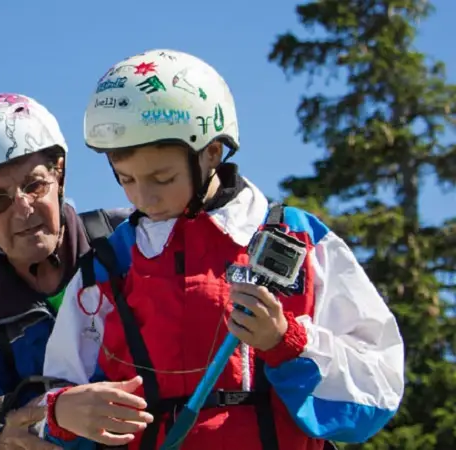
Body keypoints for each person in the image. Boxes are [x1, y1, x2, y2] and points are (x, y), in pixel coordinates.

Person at [35, 49, 406, 450]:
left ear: (212, 151)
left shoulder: (297, 239)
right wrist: (60, 413)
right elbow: (59, 390)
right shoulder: (107, 267)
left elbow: (379, 387)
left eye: (163, 177)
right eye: (126, 179)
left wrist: (287, 342)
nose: (145, 197)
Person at [0, 93, 131, 450]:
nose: (23, 209)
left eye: (34, 185)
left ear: (59, 171)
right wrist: (1, 442)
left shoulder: (131, 240)